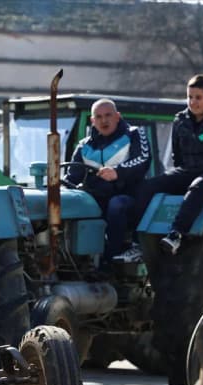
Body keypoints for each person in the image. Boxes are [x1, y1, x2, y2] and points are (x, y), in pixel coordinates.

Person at [129, 74, 203, 255]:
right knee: (148, 186)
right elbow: (177, 156)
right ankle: (136, 242)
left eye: (198, 97)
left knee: (198, 186)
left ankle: (176, 234)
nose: (193, 102)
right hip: (187, 170)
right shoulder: (180, 120)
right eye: (190, 97)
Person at [63, 98, 152, 263]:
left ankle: (111, 260)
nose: (104, 120)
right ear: (92, 121)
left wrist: (117, 172)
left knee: (117, 204)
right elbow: (72, 177)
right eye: (98, 117)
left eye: (108, 115)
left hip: (130, 197)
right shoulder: (84, 147)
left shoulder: (134, 134)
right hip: (97, 198)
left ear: (117, 116)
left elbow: (143, 159)